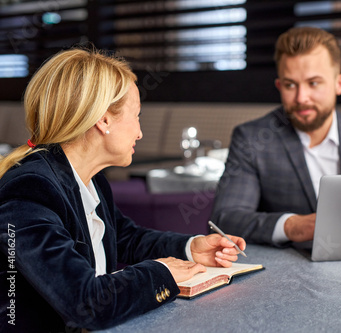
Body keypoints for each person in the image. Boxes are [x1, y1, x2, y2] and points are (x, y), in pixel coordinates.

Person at [0, 47, 246, 332]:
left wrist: (189, 248)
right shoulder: (30, 189)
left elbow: (123, 238)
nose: (140, 132)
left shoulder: (90, 178)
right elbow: (86, 304)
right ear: (103, 120)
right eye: (137, 116)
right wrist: (162, 272)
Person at [211, 27, 341, 246]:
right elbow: (225, 219)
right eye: (290, 85)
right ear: (279, 86)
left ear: (339, 84)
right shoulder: (252, 139)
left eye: (313, 83)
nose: (301, 98)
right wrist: (292, 226)